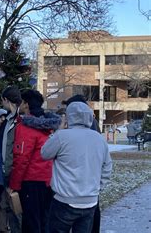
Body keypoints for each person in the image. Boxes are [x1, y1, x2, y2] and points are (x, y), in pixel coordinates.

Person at [41, 102, 112, 233]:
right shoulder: (99, 139)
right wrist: (98, 187)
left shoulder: (62, 137)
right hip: (90, 201)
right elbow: (107, 166)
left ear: (68, 117)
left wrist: (59, 129)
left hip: (64, 199)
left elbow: (45, 153)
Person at [9, 89, 61, 233]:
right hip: (50, 180)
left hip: (31, 181)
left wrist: (14, 185)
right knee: (46, 220)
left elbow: (21, 159)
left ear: (26, 104)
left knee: (31, 222)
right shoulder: (51, 127)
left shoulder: (25, 127)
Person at [61, 94, 102, 233]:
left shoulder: (87, 125)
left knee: (89, 214)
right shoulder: (90, 123)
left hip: (84, 179)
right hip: (90, 179)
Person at [0, 86, 23, 233]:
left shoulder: (20, 120)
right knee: (5, 205)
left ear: (7, 100)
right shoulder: (7, 120)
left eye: (3, 101)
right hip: (6, 169)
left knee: (16, 209)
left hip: (15, 170)